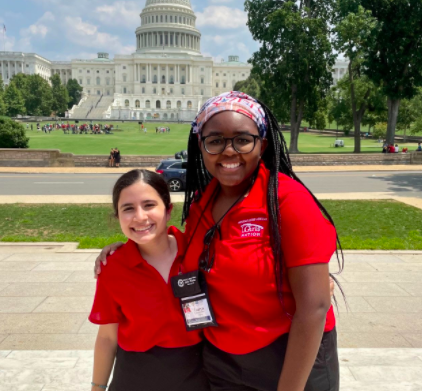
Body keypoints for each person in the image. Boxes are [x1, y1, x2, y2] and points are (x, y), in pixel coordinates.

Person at [95, 91, 342, 391]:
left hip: (289, 359)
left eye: (242, 139)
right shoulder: (201, 204)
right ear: (201, 147)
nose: (229, 151)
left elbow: (313, 307)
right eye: (215, 141)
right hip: (222, 362)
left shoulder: (288, 201)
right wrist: (125, 250)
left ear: (262, 144)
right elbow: (181, 255)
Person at [89, 169, 208, 391]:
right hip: (136, 377)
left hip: (197, 374)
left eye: (149, 205)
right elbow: (107, 338)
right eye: (128, 208)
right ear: (117, 216)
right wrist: (97, 387)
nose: (140, 217)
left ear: (168, 210)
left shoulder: (197, 253)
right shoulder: (113, 266)